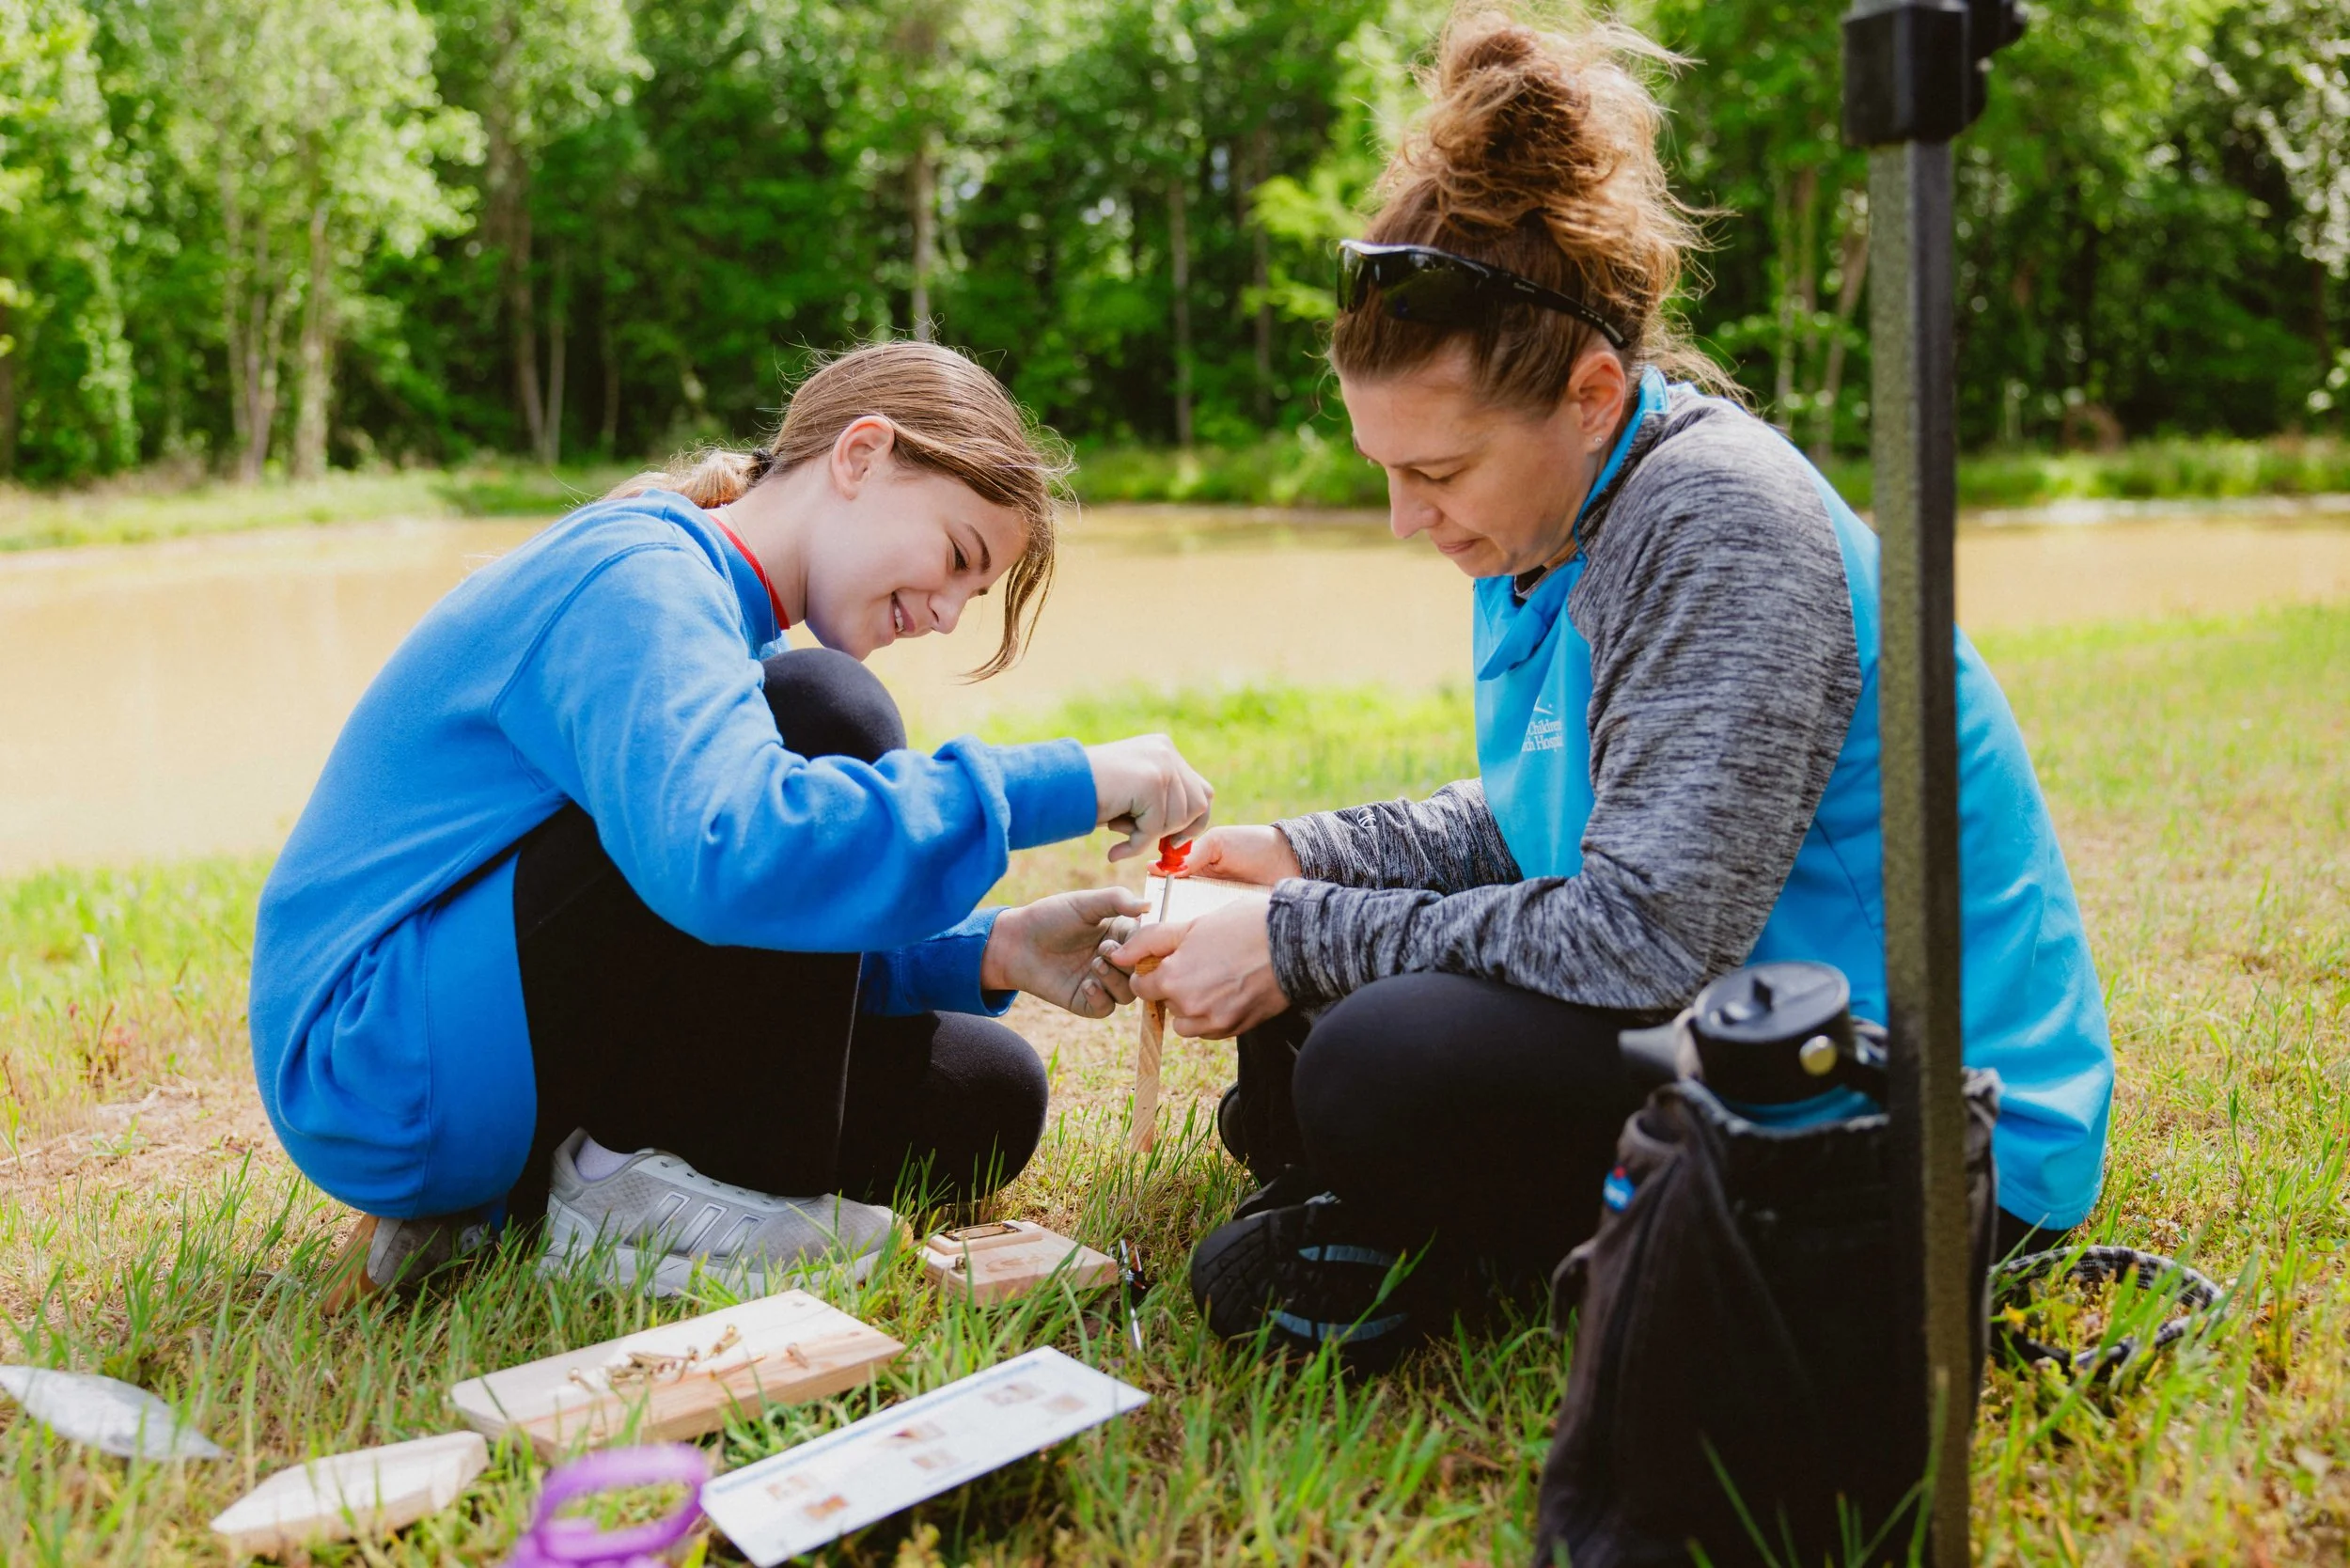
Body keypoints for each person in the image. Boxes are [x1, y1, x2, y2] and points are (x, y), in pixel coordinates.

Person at [1117, 6, 2114, 1363]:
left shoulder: (1716, 522)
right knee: (1328, 995)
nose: (1407, 521)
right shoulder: (1545, 518)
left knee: (1373, 1053)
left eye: (1437, 472)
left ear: (1593, 392)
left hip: (1933, 1138)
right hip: (1731, 1035)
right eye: (1384, 470)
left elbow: (1643, 934)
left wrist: (1296, 937)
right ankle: (1416, 1208)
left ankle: (1434, 1226)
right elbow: (1552, 810)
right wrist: (1305, 857)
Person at [249, 341, 1213, 1307]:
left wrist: (995, 951)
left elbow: (744, 941)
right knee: (831, 715)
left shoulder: (723, 622)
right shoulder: (639, 576)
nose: (950, 614)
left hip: (484, 1033)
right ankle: (639, 1202)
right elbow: (730, 856)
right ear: (861, 455)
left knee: (980, 1091)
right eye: (959, 557)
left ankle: (538, 1199)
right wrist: (1069, 781)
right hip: (387, 1064)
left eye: (976, 590)